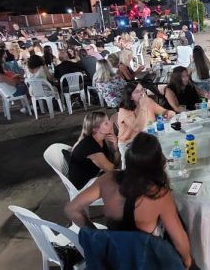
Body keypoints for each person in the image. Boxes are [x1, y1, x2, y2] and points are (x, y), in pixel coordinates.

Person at [64, 132, 192, 269]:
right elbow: (179, 240)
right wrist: (187, 261)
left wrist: (98, 236)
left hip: (114, 259)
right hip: (144, 261)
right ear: (157, 163)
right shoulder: (158, 193)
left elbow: (72, 209)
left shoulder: (108, 178)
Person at [67, 112, 118, 189]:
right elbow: (111, 170)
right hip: (84, 187)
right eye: (106, 123)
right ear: (95, 129)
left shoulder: (100, 139)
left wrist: (114, 146)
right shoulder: (90, 146)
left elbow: (111, 162)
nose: (111, 124)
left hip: (95, 175)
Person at [117, 82, 175, 147]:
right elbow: (138, 128)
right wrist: (143, 106)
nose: (142, 93)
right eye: (137, 92)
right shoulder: (124, 111)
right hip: (129, 143)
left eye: (142, 89)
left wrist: (168, 113)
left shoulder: (148, 101)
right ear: (131, 97)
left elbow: (163, 112)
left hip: (149, 138)